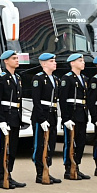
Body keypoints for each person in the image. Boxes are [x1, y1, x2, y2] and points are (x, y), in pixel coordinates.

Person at [0, 50, 26, 189]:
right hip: (6, 117)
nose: (17, 60)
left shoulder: (17, 77)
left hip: (15, 117)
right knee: (3, 148)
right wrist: (0, 120)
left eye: (17, 58)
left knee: (12, 148)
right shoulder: (0, 78)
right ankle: (2, 177)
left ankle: (9, 174)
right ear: (6, 61)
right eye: (14, 58)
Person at [31, 53, 62, 185]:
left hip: (52, 114)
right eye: (51, 61)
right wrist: (41, 119)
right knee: (40, 145)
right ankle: (40, 173)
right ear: (43, 64)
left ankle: (47, 169)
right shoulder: (38, 78)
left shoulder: (55, 79)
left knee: (51, 144)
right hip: (41, 115)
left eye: (54, 61)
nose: (54, 63)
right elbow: (36, 101)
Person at [60, 53, 91, 181]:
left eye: (83, 60)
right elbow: (62, 99)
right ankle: (68, 168)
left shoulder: (84, 78)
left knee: (81, 142)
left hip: (82, 114)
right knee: (70, 142)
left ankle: (76, 166)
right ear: (72, 63)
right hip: (72, 115)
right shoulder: (67, 78)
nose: (83, 62)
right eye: (80, 60)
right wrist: (65, 118)